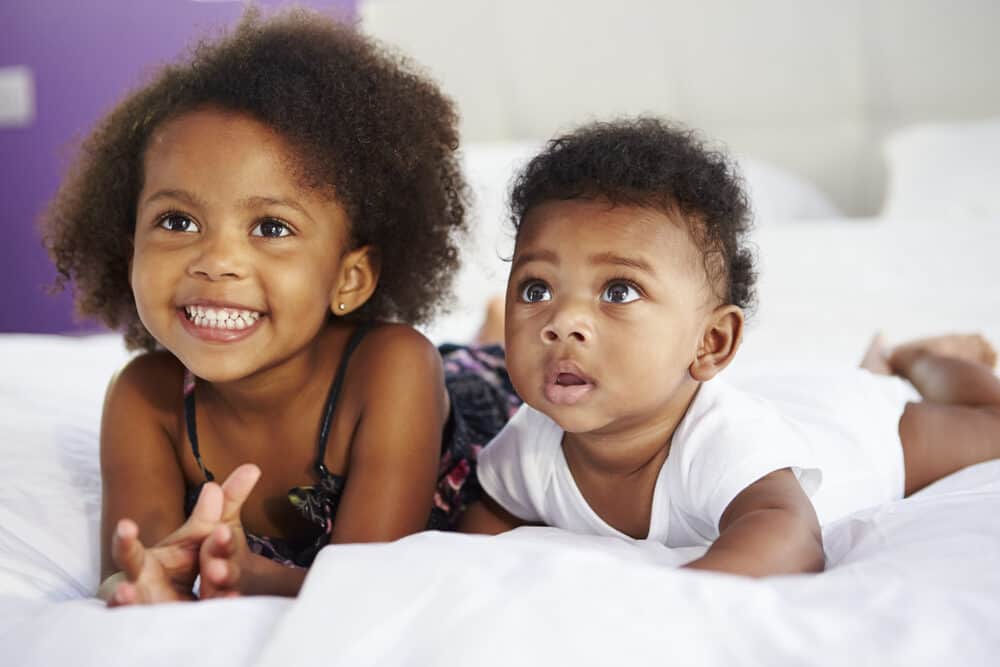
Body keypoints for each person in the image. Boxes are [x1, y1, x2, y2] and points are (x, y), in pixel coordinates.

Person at [42, 8, 519, 605]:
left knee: (485, 363)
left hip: (471, 405)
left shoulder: (396, 366)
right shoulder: (146, 399)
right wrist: (143, 581)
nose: (216, 261)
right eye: (177, 220)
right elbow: (136, 562)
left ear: (350, 277)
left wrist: (255, 579)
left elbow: (369, 580)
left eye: (270, 227)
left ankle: (489, 332)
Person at [459, 118, 1000, 577]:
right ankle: (880, 363)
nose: (562, 321)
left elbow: (787, 533)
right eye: (537, 290)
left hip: (850, 430)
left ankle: (920, 359)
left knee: (986, 423)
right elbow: (485, 526)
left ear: (711, 342)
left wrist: (674, 598)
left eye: (618, 291)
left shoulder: (720, 442)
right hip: (779, 401)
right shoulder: (530, 444)